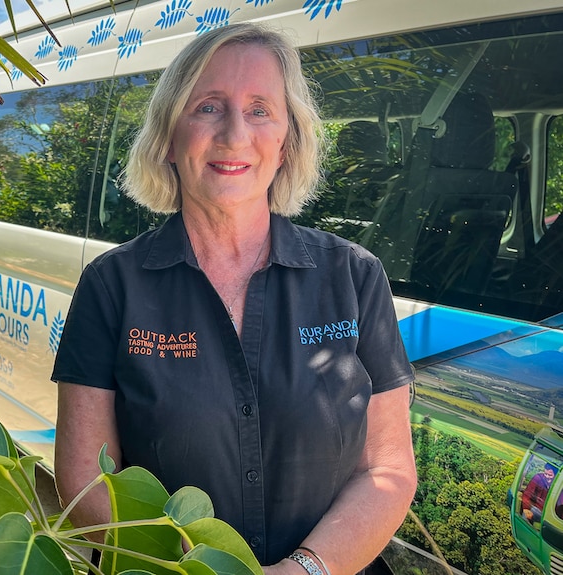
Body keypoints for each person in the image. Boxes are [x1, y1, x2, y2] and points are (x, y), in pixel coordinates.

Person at [52, 22, 417, 575]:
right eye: (207, 107)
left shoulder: (355, 276)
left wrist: (305, 570)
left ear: (287, 139)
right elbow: (84, 480)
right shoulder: (111, 286)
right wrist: (203, 569)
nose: (234, 134)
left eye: (260, 110)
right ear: (168, 137)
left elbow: (388, 470)